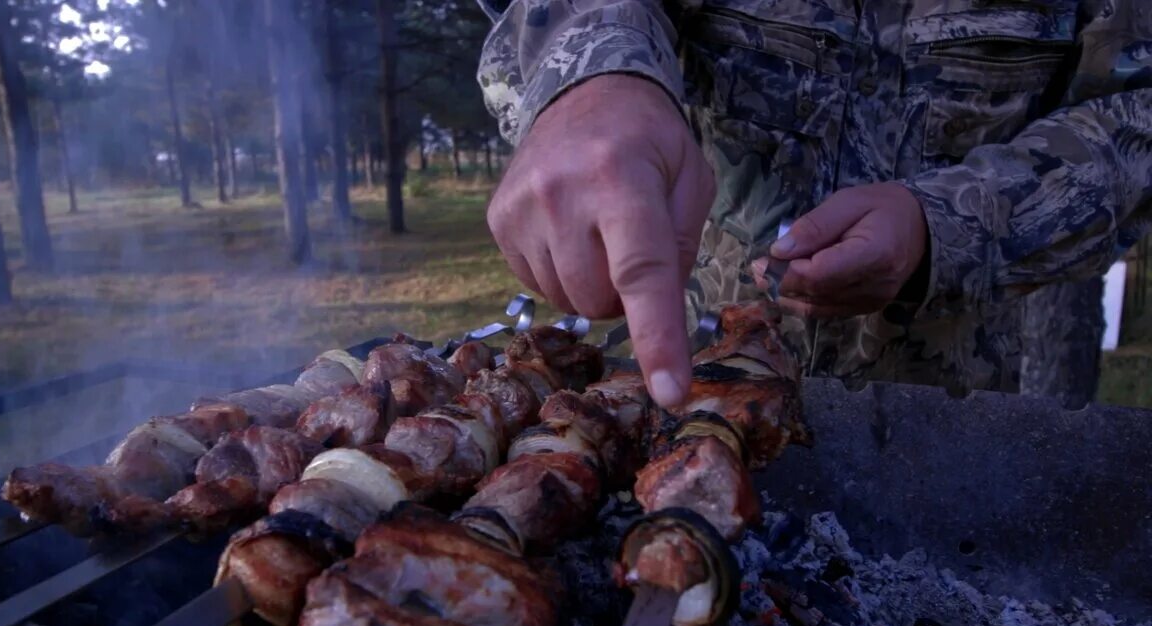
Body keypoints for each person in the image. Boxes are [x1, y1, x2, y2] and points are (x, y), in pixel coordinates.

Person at [473, 0, 1152, 408]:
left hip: (935, 411)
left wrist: (949, 223)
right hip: (686, 358)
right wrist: (591, 74)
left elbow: (1136, 115)